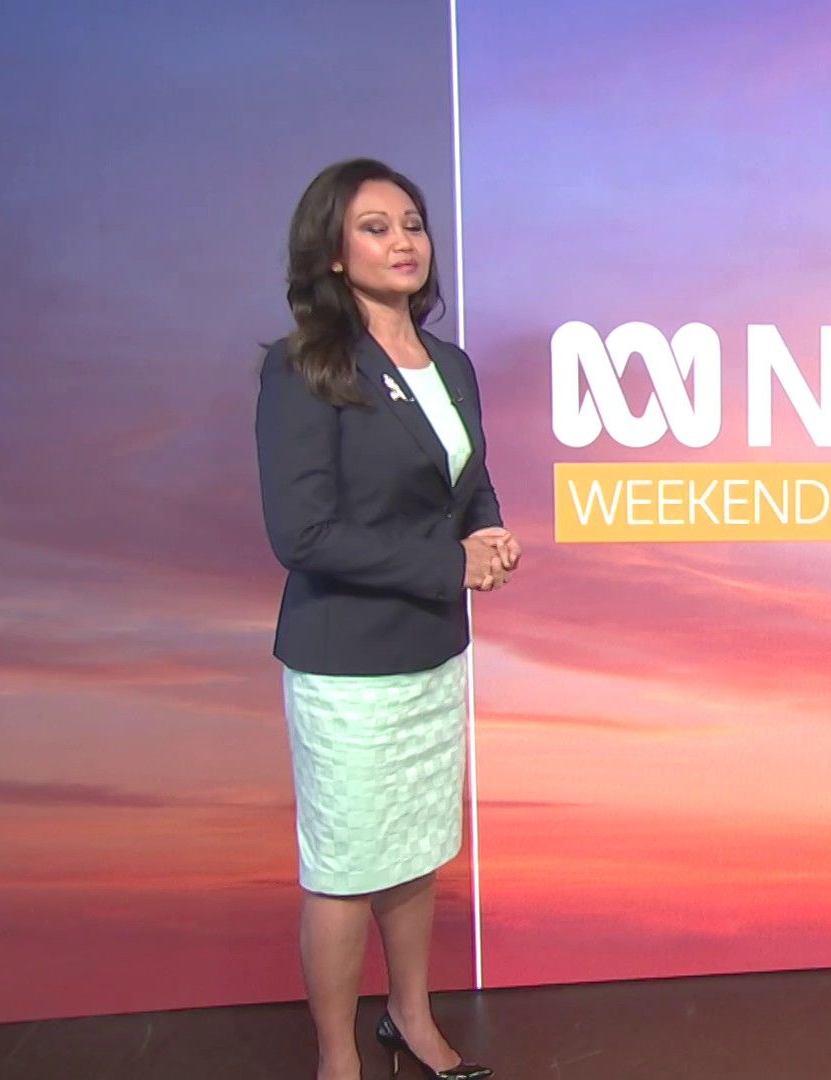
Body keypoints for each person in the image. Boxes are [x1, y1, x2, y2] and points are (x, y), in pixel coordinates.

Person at [256, 158, 517, 1080]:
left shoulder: (451, 364)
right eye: (375, 227)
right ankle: (339, 1061)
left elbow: (467, 479)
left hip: (432, 652)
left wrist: (486, 531)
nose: (403, 242)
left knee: (415, 848)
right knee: (345, 868)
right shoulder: (306, 367)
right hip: (348, 666)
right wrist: (447, 564)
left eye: (412, 223)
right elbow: (302, 534)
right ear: (332, 253)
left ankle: (411, 1017)